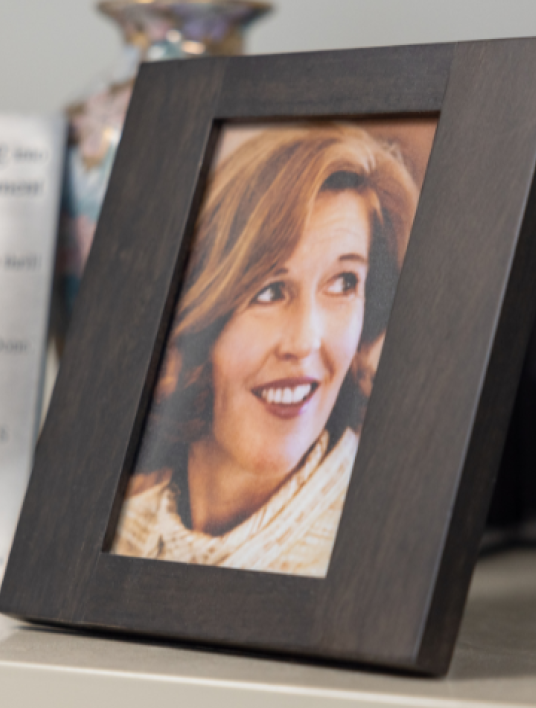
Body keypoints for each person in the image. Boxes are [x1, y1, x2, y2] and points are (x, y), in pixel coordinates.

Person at [111, 124, 420, 576]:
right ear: (202, 315)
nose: (303, 342)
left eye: (344, 283)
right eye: (270, 290)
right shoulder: (118, 533)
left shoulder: (384, 554)